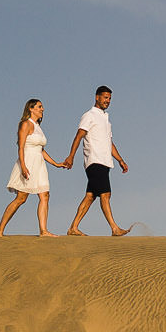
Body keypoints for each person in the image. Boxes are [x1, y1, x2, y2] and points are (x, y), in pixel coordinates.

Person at [0, 98, 69, 236]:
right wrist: (23, 166)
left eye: (42, 107)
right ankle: (0, 229)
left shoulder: (39, 128)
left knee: (45, 195)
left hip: (39, 165)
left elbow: (41, 150)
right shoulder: (25, 124)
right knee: (21, 198)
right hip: (28, 163)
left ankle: (43, 230)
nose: (42, 109)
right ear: (31, 108)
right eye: (39, 107)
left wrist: (56, 164)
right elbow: (21, 147)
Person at [64, 86, 131, 236]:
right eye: (105, 97)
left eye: (109, 99)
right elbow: (79, 135)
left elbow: (109, 143)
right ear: (97, 97)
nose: (108, 101)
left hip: (105, 161)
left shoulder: (106, 119)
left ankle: (73, 228)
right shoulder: (89, 115)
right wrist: (71, 156)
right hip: (94, 160)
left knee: (90, 196)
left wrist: (120, 160)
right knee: (106, 194)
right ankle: (114, 228)